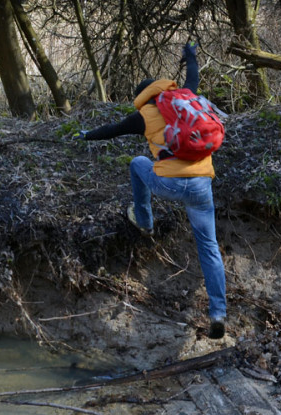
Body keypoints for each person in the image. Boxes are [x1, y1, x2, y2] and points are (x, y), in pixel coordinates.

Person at [72, 43, 227, 340]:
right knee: (209, 246)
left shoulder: (143, 116)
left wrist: (86, 135)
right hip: (201, 185)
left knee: (138, 163)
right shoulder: (187, 98)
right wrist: (190, 55)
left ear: (144, 97)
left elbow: (113, 129)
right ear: (164, 91)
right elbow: (193, 76)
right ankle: (218, 313)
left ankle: (144, 221)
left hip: (169, 184)